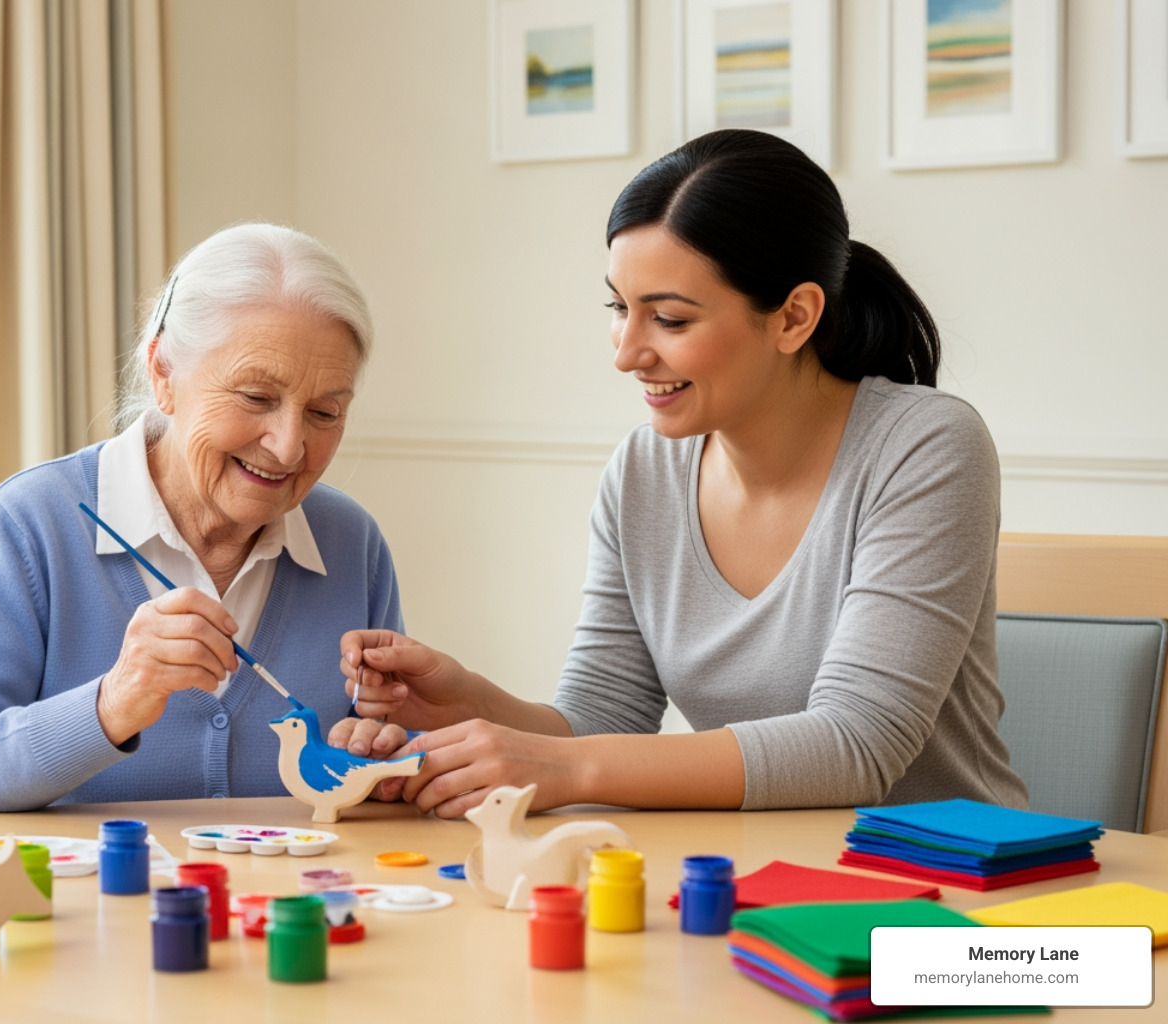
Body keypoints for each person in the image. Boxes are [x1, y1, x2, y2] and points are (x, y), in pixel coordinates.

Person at [333, 129, 1028, 820]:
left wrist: (562, 767)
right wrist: (476, 705)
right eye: (618, 308)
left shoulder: (926, 447)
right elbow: (607, 716)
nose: (628, 353)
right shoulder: (643, 472)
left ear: (793, 317)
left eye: (668, 318)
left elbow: (857, 743)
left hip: (947, 889)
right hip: (753, 879)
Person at [0, 223, 402, 813]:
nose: (288, 446)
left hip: (292, 905)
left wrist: (386, 756)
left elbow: (390, 760)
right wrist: (110, 705)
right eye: (256, 398)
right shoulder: (30, 526)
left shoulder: (353, 544)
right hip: (84, 904)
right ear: (163, 373)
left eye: (325, 412)